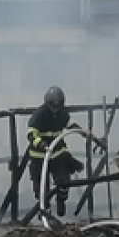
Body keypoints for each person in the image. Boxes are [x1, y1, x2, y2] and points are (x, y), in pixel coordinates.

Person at [27, 85, 85, 217]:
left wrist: (81, 131)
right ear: (47, 103)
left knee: (64, 180)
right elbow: (31, 134)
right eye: (53, 106)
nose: (55, 110)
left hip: (58, 153)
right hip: (39, 156)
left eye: (58, 106)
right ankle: (45, 211)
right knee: (42, 188)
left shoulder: (62, 113)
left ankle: (61, 201)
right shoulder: (39, 115)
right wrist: (40, 143)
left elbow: (70, 124)